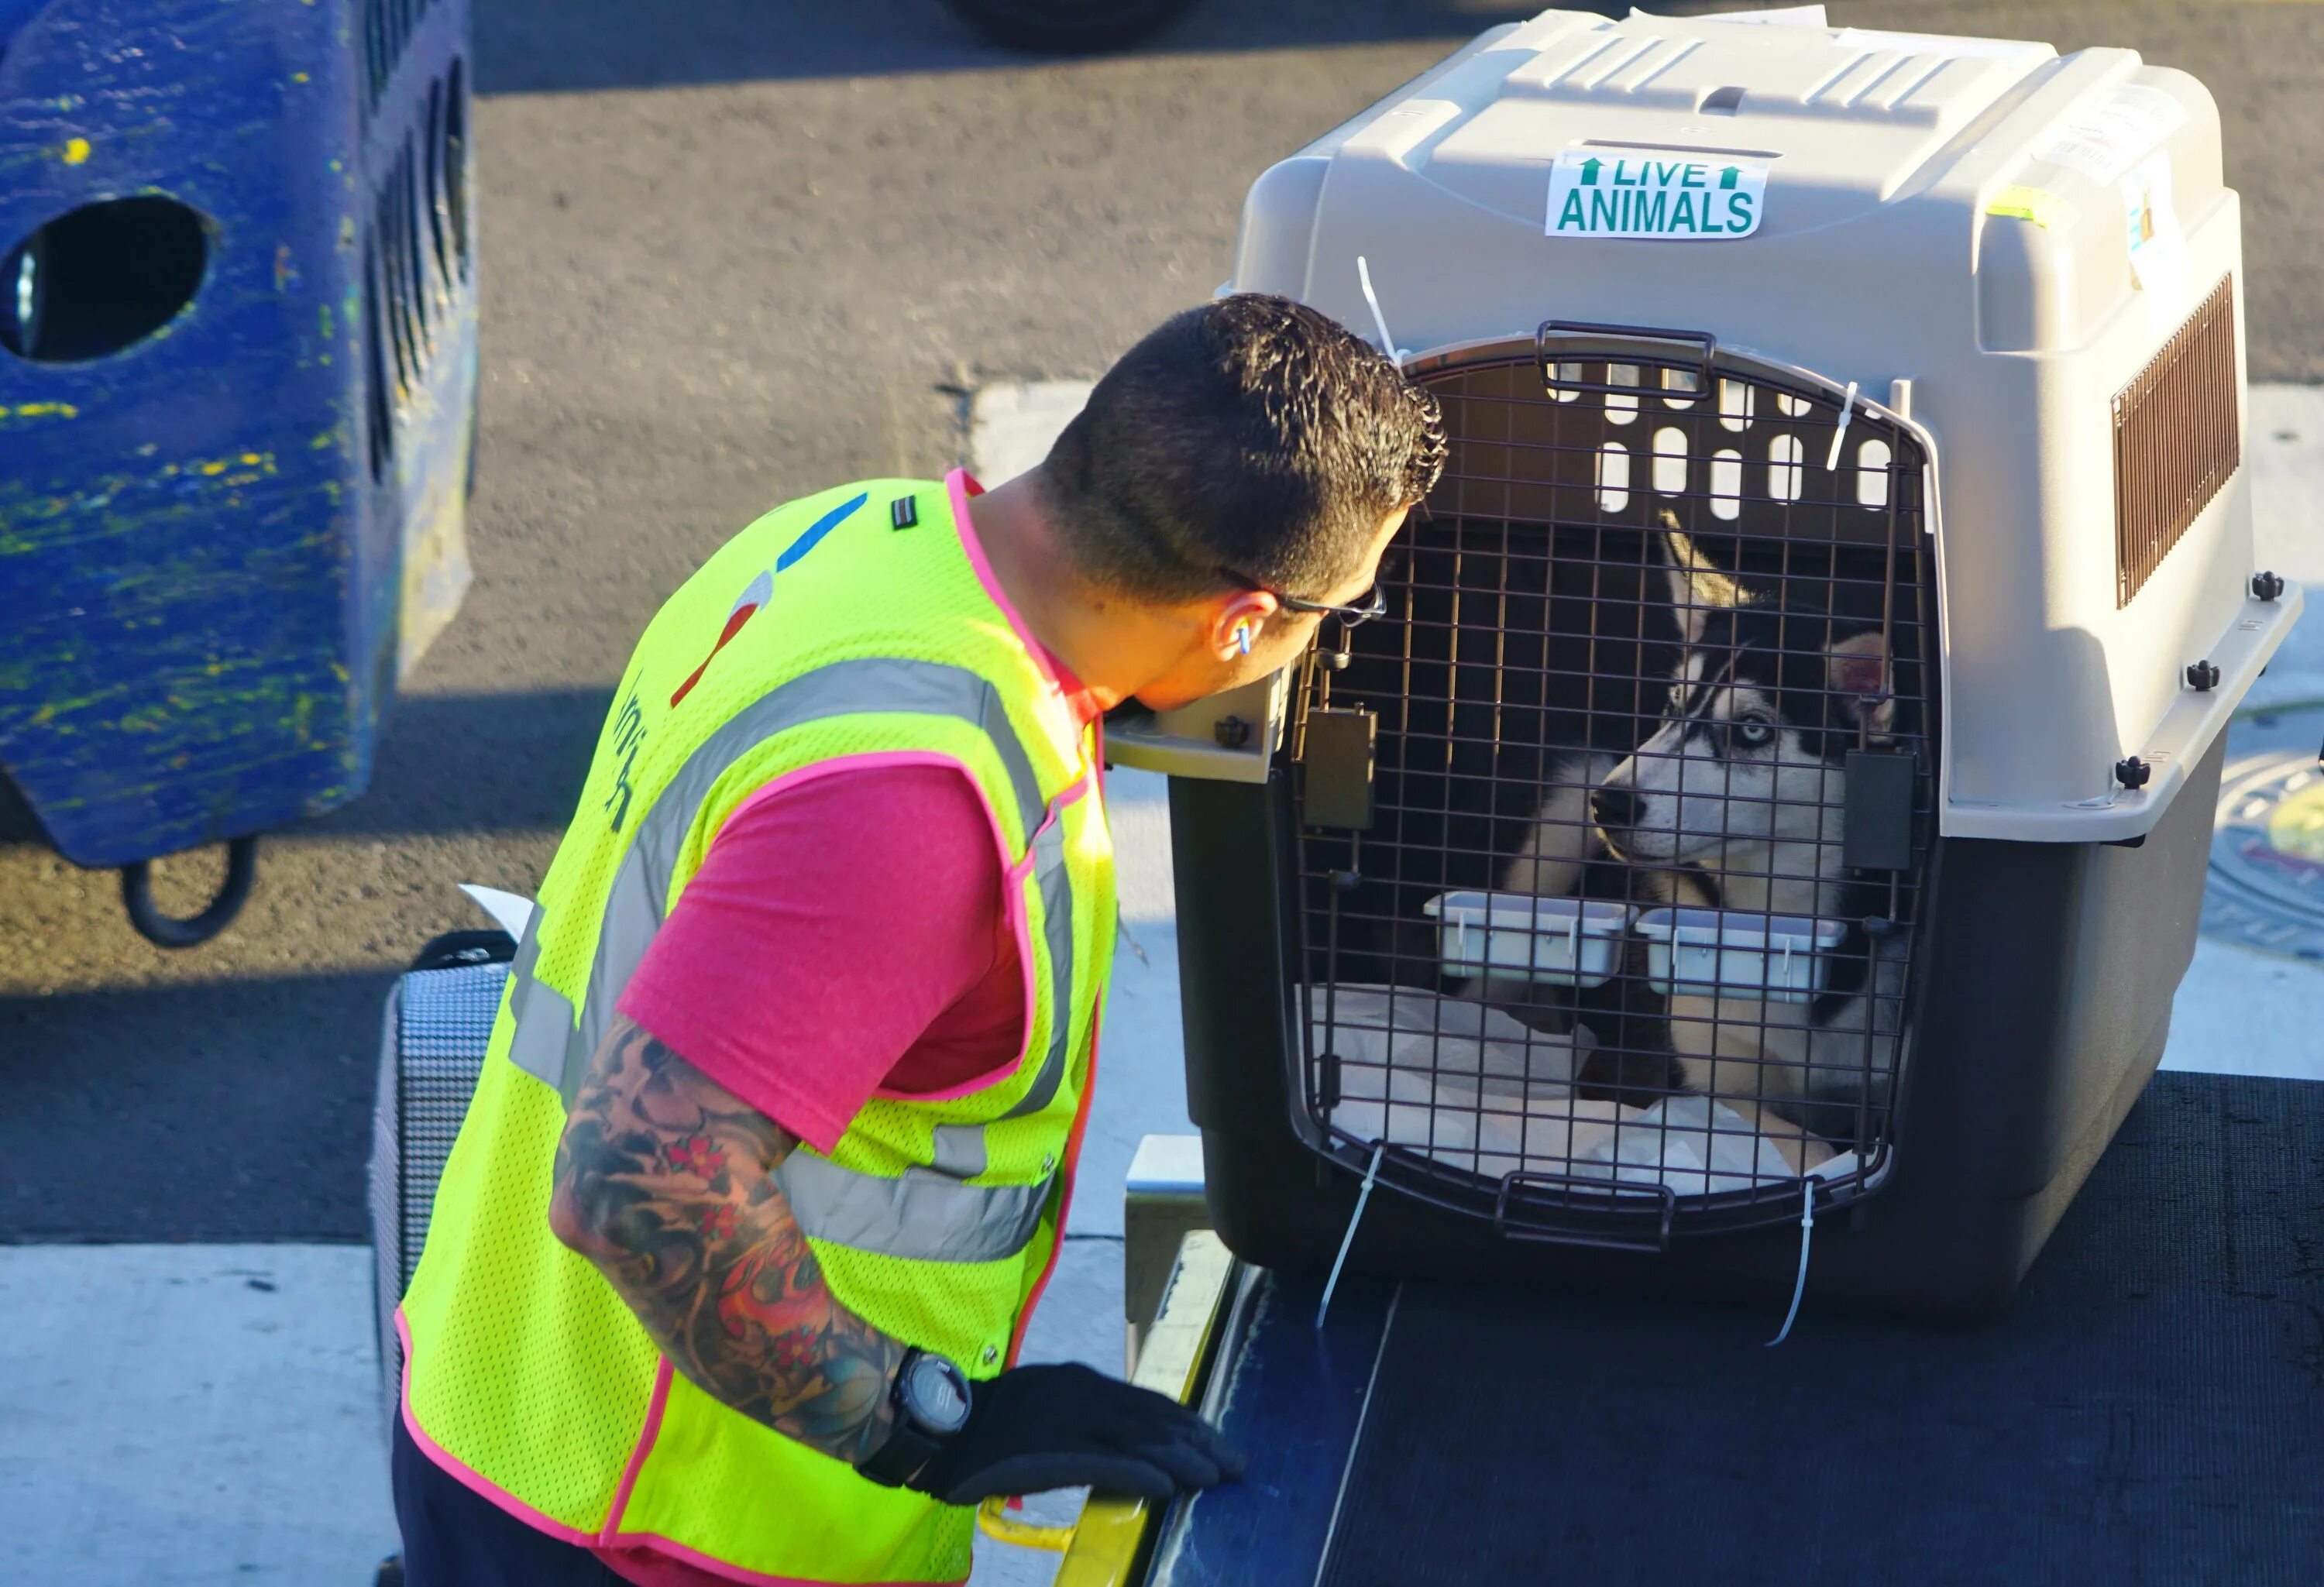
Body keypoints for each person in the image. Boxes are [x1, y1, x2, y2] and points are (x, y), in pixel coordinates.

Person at [389, 294, 1446, 1587]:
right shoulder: (929, 801)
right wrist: (925, 1423)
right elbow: (639, 1175)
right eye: (1331, 617)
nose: (1323, 647)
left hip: (498, 1400)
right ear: (1238, 621)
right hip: (672, 1528)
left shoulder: (849, 537)